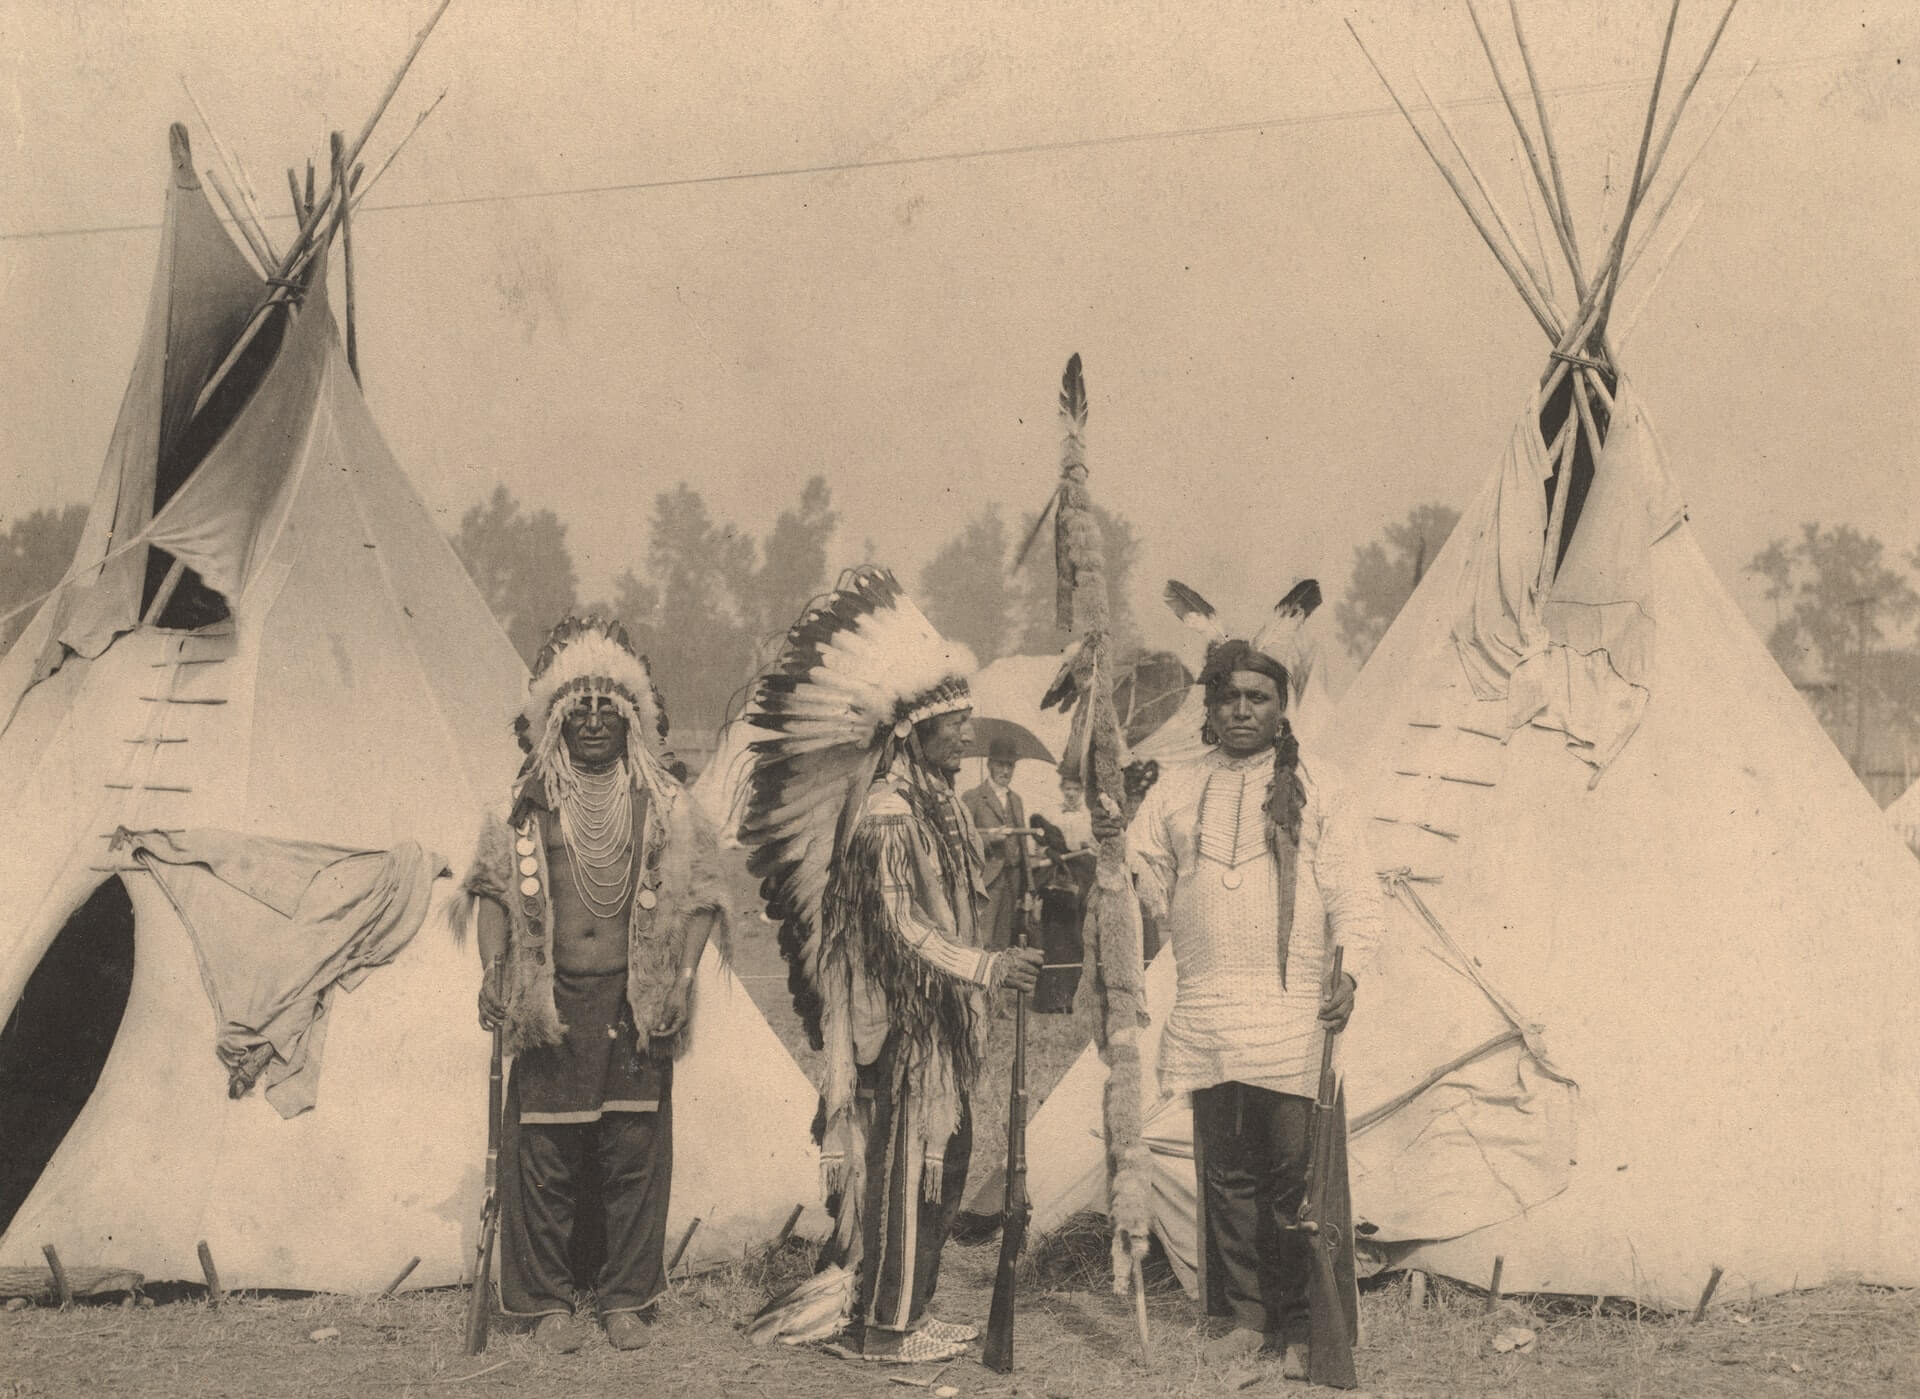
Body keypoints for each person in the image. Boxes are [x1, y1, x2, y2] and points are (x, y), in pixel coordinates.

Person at [736, 567, 1043, 1365]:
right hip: (896, 1026)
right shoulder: (888, 814)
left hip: (928, 1024)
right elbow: (904, 926)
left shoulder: (937, 802)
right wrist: (985, 968)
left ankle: (910, 1305)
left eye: (969, 717)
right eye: (953, 721)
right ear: (913, 731)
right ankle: (884, 1326)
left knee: (946, 1156)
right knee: (912, 1167)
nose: (968, 731)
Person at [1092, 616, 1382, 1379]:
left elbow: (1355, 894)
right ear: (1210, 708)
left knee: (1294, 1177)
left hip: (1290, 1009)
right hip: (1208, 1008)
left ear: (1282, 705)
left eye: (1259, 696)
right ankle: (1241, 1316)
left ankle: (1296, 1326)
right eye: (1229, 697)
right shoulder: (1180, 787)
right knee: (1226, 1174)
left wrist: (1348, 974)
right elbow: (1142, 875)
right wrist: (1110, 840)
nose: (1244, 710)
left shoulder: (1321, 785)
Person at [456, 617, 729, 1353]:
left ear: (633, 719)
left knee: (630, 1148)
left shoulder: (665, 802)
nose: (597, 721)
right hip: (549, 1005)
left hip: (632, 1004)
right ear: (556, 721)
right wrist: (492, 968)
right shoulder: (527, 802)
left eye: (611, 709)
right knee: (544, 1153)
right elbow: (490, 892)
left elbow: (703, 893)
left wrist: (676, 977)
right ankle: (546, 1303)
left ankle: (624, 1298)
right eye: (581, 709)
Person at [1029, 769, 1094, 1013]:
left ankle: (1073, 999)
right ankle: (1052, 1000)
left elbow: (1093, 849)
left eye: (1076, 790)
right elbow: (1039, 845)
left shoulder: (1088, 818)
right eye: (1067, 788)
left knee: (1077, 939)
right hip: (1057, 884)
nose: (1071, 794)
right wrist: (1051, 852)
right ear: (1061, 790)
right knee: (1055, 939)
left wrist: (1081, 850)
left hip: (1081, 883)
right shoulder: (1051, 814)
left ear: (1082, 792)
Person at [962, 735, 1033, 954]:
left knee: (1004, 941)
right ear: (990, 764)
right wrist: (988, 839)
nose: (1006, 771)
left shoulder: (1016, 800)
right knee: (983, 939)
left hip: (1013, 880)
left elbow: (1023, 843)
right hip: (987, 880)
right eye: (1001, 764)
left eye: (1010, 765)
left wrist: (1029, 886)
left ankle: (998, 988)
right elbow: (963, 839)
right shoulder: (973, 797)